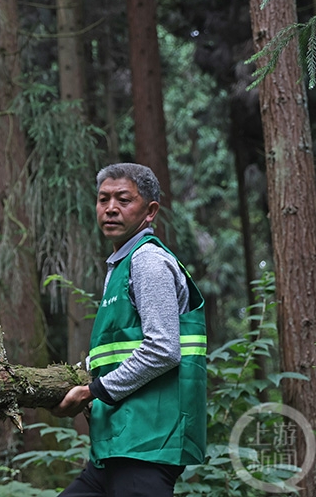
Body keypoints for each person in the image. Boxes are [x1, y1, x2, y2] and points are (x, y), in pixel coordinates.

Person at [51, 163, 207, 497]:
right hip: (118, 447)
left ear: (150, 211)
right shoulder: (121, 265)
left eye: (123, 199)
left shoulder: (147, 261)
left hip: (146, 445)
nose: (110, 208)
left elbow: (163, 348)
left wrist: (91, 391)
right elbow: (119, 352)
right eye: (103, 199)